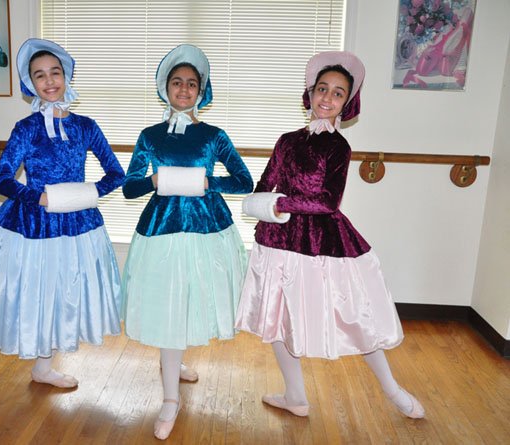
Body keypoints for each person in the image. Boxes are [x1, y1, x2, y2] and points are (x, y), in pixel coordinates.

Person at [235, 51, 425, 419]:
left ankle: (393, 390)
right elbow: (264, 182)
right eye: (322, 88)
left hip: (323, 244)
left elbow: (327, 202)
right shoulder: (287, 140)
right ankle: (295, 396)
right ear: (310, 92)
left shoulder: (338, 146)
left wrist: (281, 204)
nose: (327, 97)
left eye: (337, 93)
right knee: (276, 321)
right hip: (277, 242)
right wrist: (260, 204)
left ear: (347, 103)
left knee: (355, 317)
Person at [0, 38, 125, 388]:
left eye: (55, 72)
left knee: (58, 295)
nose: (50, 80)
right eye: (40, 75)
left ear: (66, 76)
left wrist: (86, 193)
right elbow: (1, 178)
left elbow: (116, 173)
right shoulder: (27, 128)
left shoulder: (86, 126)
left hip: (76, 223)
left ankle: (43, 367)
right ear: (31, 84)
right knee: (0, 287)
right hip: (28, 221)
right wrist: (36, 198)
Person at [121, 44, 253, 440]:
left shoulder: (214, 136)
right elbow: (129, 188)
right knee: (167, 304)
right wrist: (154, 181)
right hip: (161, 229)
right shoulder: (149, 135)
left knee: (191, 297)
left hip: (207, 228)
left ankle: (174, 363)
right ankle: (169, 399)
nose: (183, 89)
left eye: (191, 83)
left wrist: (206, 183)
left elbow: (244, 181)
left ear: (201, 91)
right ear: (165, 88)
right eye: (176, 82)